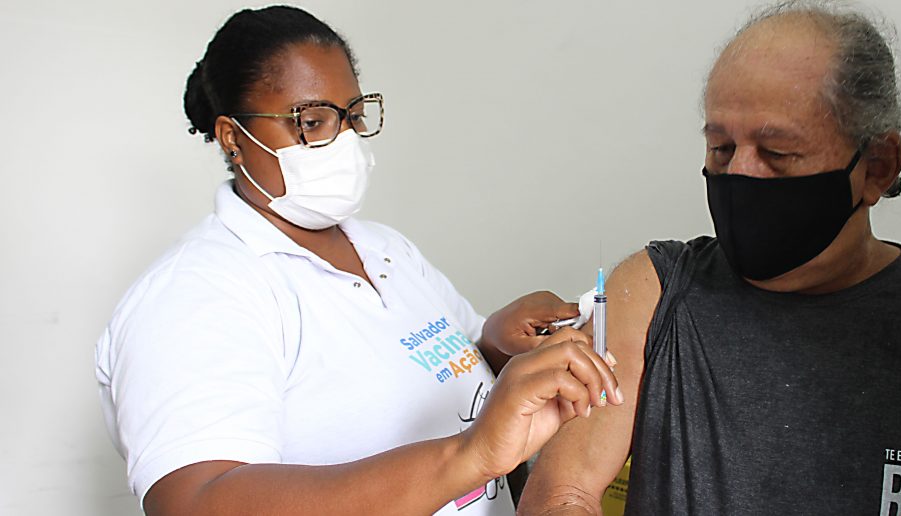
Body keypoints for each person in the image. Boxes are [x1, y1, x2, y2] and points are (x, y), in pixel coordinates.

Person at [518, 2, 901, 515]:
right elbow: (563, 494)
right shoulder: (656, 293)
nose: (740, 173)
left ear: (877, 167)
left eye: (777, 152)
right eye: (721, 147)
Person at [94, 6, 622, 515]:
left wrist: (495, 345)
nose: (343, 141)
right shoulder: (196, 293)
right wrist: (469, 456)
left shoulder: (386, 251)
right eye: (312, 121)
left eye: (352, 116)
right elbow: (194, 502)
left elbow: (436, 383)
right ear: (233, 138)